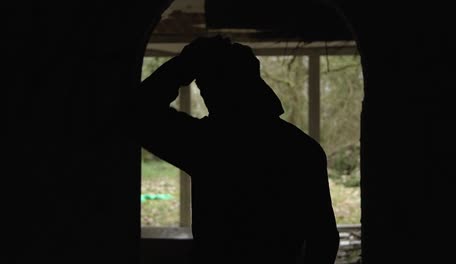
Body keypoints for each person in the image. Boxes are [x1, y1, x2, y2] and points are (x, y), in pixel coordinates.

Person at [132, 36, 339, 263]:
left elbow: (138, 112)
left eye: (205, 85)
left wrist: (184, 66)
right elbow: (324, 238)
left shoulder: (207, 144)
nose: (204, 94)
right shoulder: (302, 149)